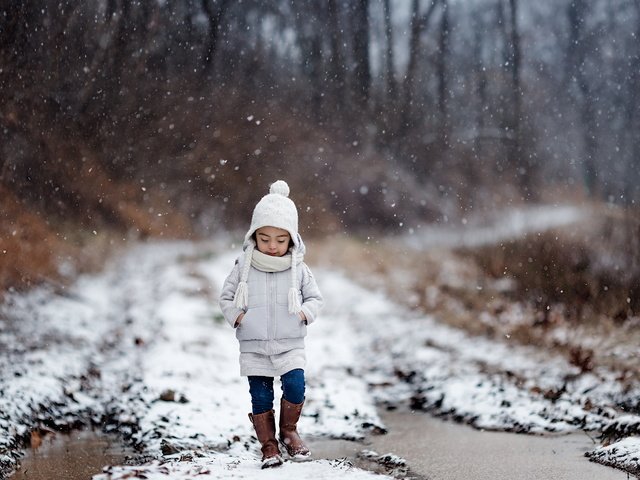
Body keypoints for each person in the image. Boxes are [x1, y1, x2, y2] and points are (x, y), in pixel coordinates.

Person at [219, 180, 323, 469]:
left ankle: (289, 432)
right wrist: (238, 317)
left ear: (291, 238)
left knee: (295, 385)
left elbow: (315, 298)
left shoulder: (298, 268)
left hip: (290, 342)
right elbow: (227, 297)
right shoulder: (244, 265)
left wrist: (304, 313)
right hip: (254, 344)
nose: (273, 246)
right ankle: (269, 446)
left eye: (280, 240)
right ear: (254, 235)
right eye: (265, 239)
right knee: (260, 394)